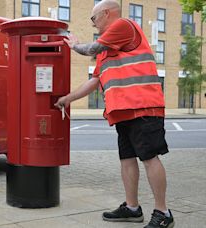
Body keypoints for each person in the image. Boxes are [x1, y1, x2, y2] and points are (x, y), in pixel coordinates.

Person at [54, 1, 174, 228]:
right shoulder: (107, 48)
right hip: (121, 112)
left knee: (149, 158)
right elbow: (94, 80)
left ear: (106, 14)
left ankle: (163, 212)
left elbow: (90, 49)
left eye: (94, 18)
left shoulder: (123, 26)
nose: (94, 23)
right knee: (127, 159)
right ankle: (132, 208)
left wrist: (74, 45)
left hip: (143, 107)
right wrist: (67, 99)